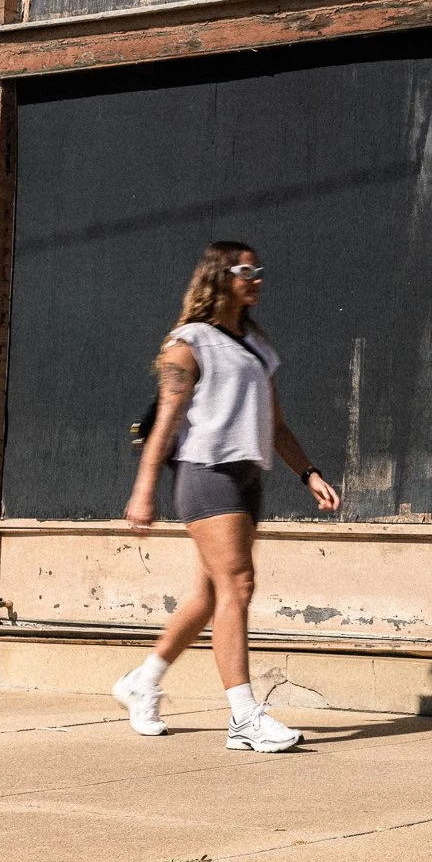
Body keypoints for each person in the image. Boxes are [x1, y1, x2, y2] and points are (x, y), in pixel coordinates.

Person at [112, 242, 341, 752]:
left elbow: (275, 424)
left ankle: (143, 681)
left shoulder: (256, 345)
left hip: (247, 477)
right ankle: (244, 717)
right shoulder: (188, 342)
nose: (256, 277)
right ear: (220, 275)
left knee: (211, 595)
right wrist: (144, 488)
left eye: (258, 269)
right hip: (206, 472)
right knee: (238, 584)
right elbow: (166, 422)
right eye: (245, 269)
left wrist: (308, 473)